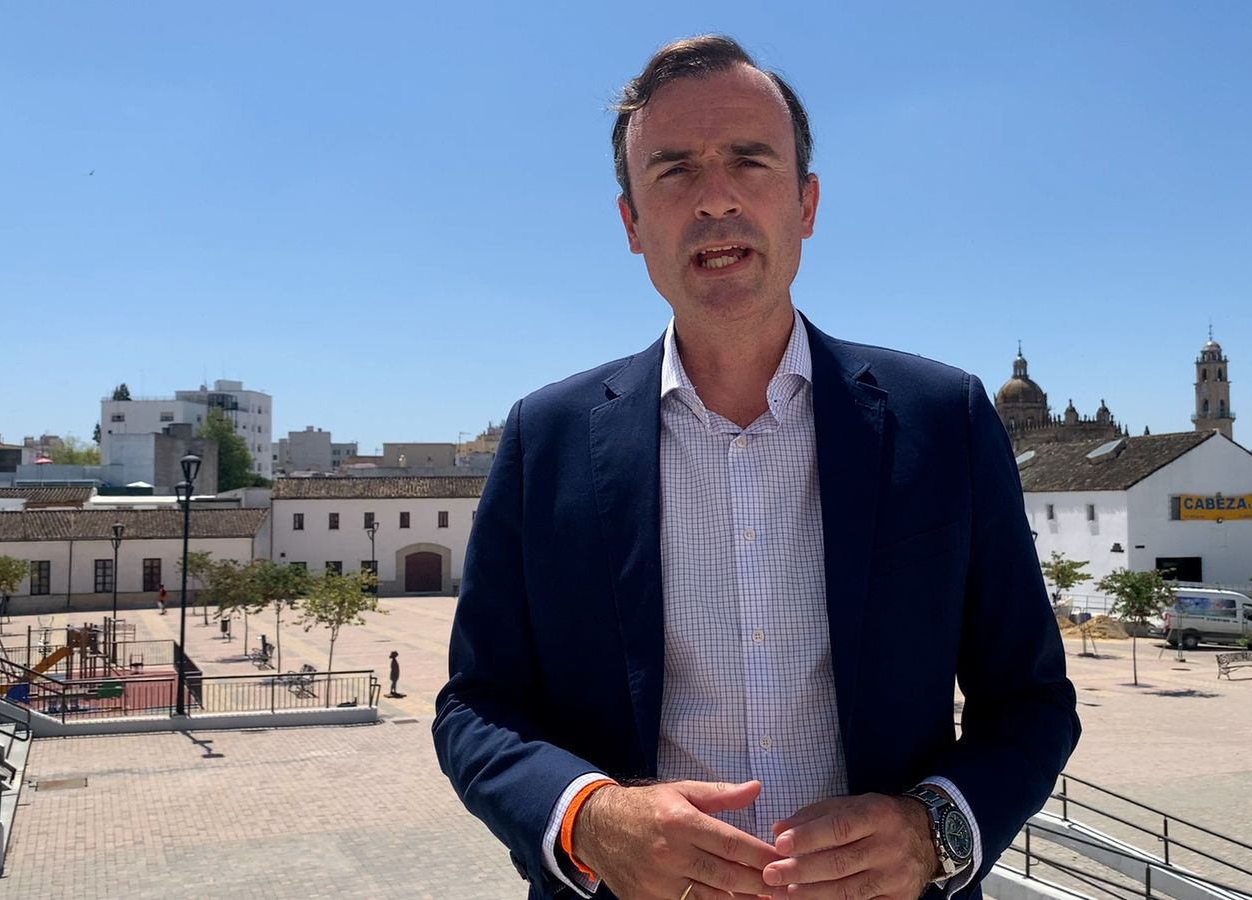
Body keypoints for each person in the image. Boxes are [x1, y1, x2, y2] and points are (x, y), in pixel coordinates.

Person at [434, 35, 1079, 900]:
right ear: (631, 225)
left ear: (806, 203)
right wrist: (591, 819)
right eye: (674, 170)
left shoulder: (946, 420)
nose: (716, 198)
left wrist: (935, 830)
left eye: (750, 160)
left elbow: (1031, 701)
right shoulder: (543, 440)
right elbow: (475, 706)